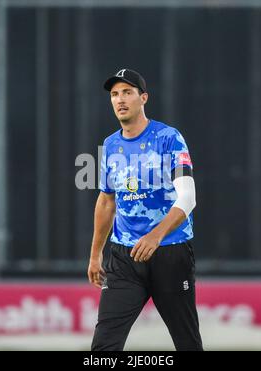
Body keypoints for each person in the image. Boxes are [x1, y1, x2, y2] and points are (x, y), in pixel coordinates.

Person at [88, 69, 203, 351]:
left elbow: (188, 198)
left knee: (187, 342)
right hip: (125, 259)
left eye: (127, 92)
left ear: (144, 98)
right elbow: (106, 201)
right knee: (103, 346)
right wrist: (94, 255)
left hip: (170, 253)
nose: (120, 99)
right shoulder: (111, 145)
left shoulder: (169, 138)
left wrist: (155, 236)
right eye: (115, 94)